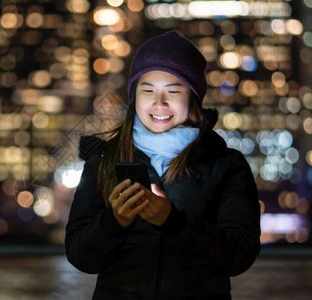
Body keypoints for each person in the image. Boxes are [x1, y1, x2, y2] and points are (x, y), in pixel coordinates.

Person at [65, 31, 261, 299]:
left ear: (192, 96)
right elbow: (80, 257)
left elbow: (239, 256)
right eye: (148, 91)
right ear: (135, 96)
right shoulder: (104, 159)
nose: (159, 103)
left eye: (172, 91)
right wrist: (114, 221)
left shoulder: (225, 164)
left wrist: (173, 222)